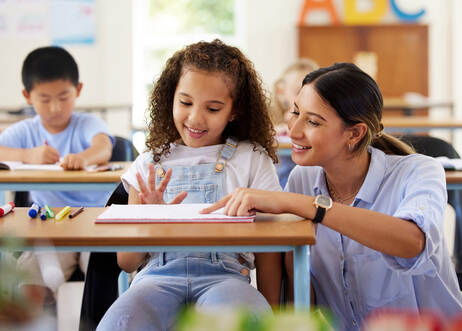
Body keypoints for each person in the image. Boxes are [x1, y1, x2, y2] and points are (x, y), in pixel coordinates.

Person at [202, 63, 462, 330]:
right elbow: (300, 286)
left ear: (354, 133)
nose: (294, 131)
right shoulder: (302, 179)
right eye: (295, 112)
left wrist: (305, 205)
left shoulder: (419, 170)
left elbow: (412, 242)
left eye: (312, 121)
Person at [97, 39, 281, 331]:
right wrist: (149, 221)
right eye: (185, 103)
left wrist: (274, 315)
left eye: (213, 108)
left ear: (235, 110)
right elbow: (127, 262)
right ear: (170, 98)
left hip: (226, 279)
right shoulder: (149, 163)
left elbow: (271, 249)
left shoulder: (253, 159)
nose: (195, 118)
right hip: (155, 280)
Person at [0, 46, 114, 308]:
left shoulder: (86, 123)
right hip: (50, 227)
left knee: (106, 273)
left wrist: (84, 158)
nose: (55, 107)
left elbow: (103, 146)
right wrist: (27, 155)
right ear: (27, 96)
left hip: (94, 225)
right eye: (44, 98)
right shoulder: (25, 131)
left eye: (64, 97)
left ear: (78, 90)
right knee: (30, 279)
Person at [271, 59, 318, 188]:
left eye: (313, 92)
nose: (306, 98)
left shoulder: (320, 119)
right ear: (281, 93)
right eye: (298, 92)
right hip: (279, 186)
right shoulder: (274, 120)